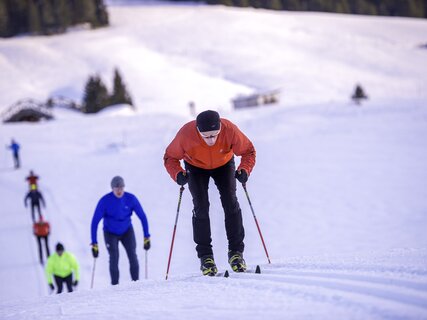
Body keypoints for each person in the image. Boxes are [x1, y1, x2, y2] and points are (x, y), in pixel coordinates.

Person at [164, 110, 256, 276]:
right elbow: (170, 157)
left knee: (230, 202)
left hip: (224, 164)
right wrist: (177, 174)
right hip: (196, 167)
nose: (212, 140)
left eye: (215, 135)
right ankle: (206, 258)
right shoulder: (186, 134)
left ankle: (236, 253)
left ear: (221, 127)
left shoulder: (230, 129)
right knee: (201, 206)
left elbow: (248, 151)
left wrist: (244, 170)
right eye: (206, 137)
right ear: (198, 131)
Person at [90, 176, 151, 285]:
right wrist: (94, 243)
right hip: (110, 232)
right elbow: (95, 222)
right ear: (112, 188)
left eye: (121, 187)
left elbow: (143, 217)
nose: (119, 190)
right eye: (116, 188)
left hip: (127, 230)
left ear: (124, 187)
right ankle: (114, 285)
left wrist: (146, 236)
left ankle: (136, 283)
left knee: (132, 255)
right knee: (114, 257)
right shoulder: (105, 201)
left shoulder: (130, 199)